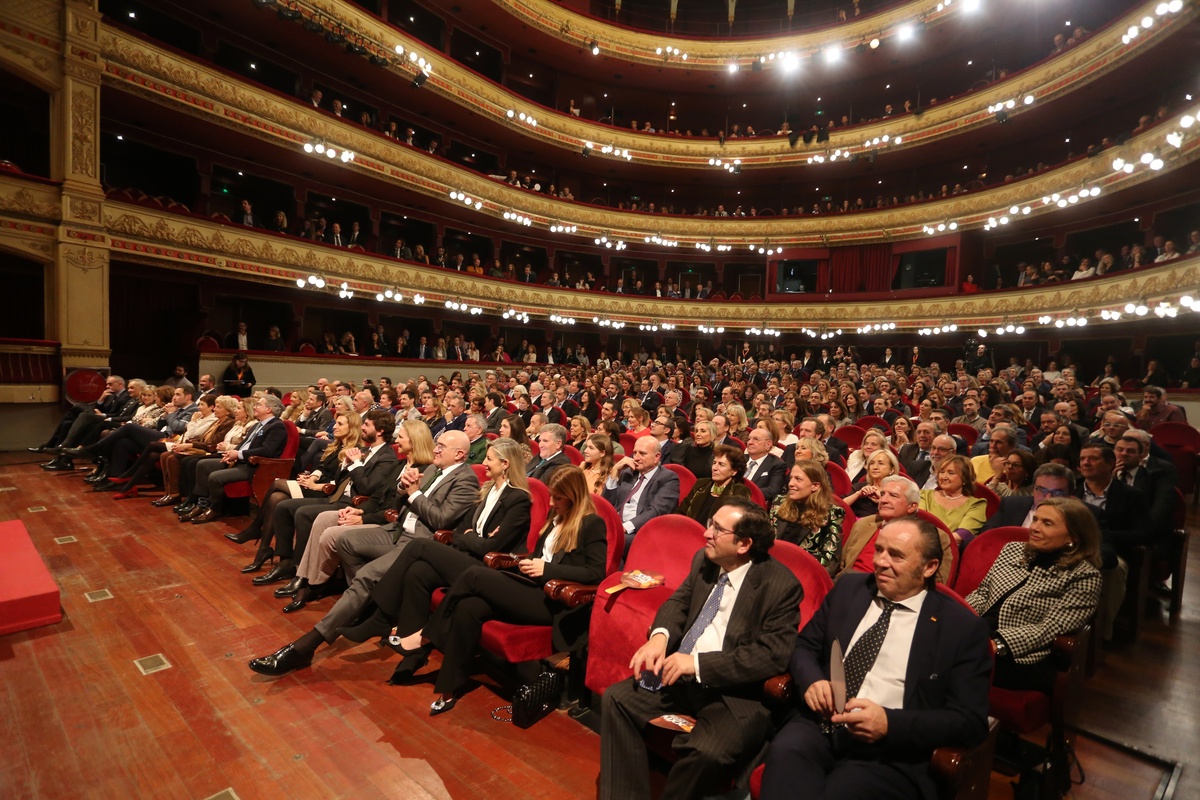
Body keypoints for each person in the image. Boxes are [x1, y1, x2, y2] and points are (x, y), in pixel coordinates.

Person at [758, 517, 991, 800]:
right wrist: (813, 682)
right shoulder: (849, 589)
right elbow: (805, 646)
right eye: (879, 550)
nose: (880, 562)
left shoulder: (961, 627)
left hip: (890, 751)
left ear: (929, 567)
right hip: (821, 723)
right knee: (785, 756)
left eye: (896, 555)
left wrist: (890, 724)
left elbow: (969, 722)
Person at [599, 499, 803, 800]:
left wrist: (696, 664)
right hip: (678, 676)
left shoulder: (781, 586)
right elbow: (678, 602)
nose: (706, 533)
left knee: (707, 752)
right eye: (710, 523)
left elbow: (771, 655)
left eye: (717, 529)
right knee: (617, 699)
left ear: (744, 544)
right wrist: (660, 637)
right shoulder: (705, 560)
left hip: (733, 693)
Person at [247, 430, 478, 677]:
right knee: (344, 540)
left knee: (367, 575)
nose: (435, 449)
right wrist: (403, 486)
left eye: (442, 446)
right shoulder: (433, 470)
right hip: (395, 530)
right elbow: (400, 499)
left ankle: (307, 645)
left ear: (460, 454)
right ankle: (371, 605)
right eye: (436, 445)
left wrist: (414, 492)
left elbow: (441, 518)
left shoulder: (466, 480)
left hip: (417, 544)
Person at [415, 467, 608, 714]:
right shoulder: (556, 516)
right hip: (529, 589)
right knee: (468, 606)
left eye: (558, 497)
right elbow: (538, 556)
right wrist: (528, 563)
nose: (551, 502)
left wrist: (546, 570)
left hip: (554, 602)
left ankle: (429, 633)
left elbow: (596, 574)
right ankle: (449, 688)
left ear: (574, 496)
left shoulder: (592, 523)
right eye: (551, 495)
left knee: (475, 575)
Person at [333, 438, 534, 662]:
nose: (484, 463)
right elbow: (459, 533)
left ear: (505, 464)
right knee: (418, 571)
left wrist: (470, 538)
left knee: (419, 545)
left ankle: (380, 617)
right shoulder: (487, 490)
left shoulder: (518, 499)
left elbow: (492, 547)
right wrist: (470, 537)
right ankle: (411, 648)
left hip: (486, 570)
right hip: (466, 556)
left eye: (489, 459)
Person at [967, 497, 1102, 692]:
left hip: (1022, 655)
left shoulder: (1084, 576)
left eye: (1047, 523)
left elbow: (1049, 629)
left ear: (1072, 537)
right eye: (1036, 519)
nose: (1035, 527)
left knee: (951, 662)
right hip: (979, 633)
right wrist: (960, 620)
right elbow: (982, 594)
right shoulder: (1012, 550)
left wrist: (997, 644)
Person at [183, 394, 288, 524]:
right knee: (203, 465)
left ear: (269, 409)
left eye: (259, 405)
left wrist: (238, 455)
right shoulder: (258, 425)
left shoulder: (277, 426)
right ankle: (202, 504)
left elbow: (267, 451)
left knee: (215, 477)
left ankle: (215, 509)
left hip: (255, 466)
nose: (254, 407)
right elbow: (243, 444)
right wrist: (232, 453)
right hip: (241, 460)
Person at [838, 476, 955, 585]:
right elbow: (842, 563)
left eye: (893, 495)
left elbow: (937, 584)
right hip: (849, 584)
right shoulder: (863, 524)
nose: (883, 500)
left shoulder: (936, 537)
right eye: (882, 494)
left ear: (912, 506)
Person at [603, 434, 681, 553]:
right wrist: (614, 472)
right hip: (615, 526)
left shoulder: (668, 478)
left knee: (606, 541)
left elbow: (656, 512)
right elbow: (608, 503)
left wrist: (623, 528)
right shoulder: (628, 473)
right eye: (635, 453)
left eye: (642, 454)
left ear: (657, 457)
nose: (636, 458)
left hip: (639, 531)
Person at [769, 460, 845, 575]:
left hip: (802, 573)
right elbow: (766, 540)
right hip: (771, 567)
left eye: (798, 479)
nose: (790, 483)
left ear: (815, 486)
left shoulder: (832, 513)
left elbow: (830, 561)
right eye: (791, 478)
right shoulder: (779, 502)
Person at [919, 454, 988, 545]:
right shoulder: (924, 495)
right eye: (942, 472)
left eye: (951, 473)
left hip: (951, 549)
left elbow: (962, 535)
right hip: (919, 544)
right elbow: (918, 524)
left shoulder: (976, 505)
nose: (944, 477)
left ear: (964, 479)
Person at [676, 444, 751, 524]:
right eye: (714, 463)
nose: (714, 468)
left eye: (721, 464)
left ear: (734, 471)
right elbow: (681, 512)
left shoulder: (739, 491)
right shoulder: (701, 484)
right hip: (691, 531)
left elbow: (735, 524)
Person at [844, 449, 900, 519]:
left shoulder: (896, 490)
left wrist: (881, 497)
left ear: (892, 470)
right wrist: (858, 494)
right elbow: (839, 507)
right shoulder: (860, 487)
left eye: (881, 463)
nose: (875, 467)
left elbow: (900, 512)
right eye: (872, 463)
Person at [744, 426, 788, 504]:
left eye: (756, 439)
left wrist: (743, 493)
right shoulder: (739, 459)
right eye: (749, 439)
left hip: (753, 504)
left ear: (768, 444)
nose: (750, 442)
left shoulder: (777, 465)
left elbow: (772, 490)